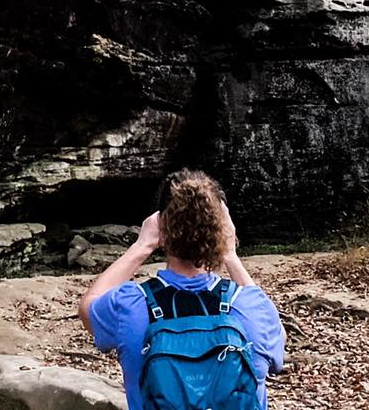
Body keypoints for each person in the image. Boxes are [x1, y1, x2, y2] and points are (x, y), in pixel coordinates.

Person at [78, 170, 286, 410]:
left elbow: (87, 307)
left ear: (160, 230)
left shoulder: (129, 304)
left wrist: (141, 246)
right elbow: (278, 336)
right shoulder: (253, 307)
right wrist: (230, 255)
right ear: (221, 231)